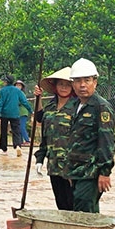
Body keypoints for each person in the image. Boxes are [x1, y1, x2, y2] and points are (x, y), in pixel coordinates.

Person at [64, 58, 115, 213]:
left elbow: (107, 141)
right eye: (78, 81)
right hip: (77, 171)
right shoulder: (75, 106)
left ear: (95, 82)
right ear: (72, 84)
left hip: (91, 172)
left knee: (84, 211)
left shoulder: (101, 107)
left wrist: (105, 172)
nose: (82, 85)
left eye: (87, 80)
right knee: (87, 212)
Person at [33, 67, 76, 210]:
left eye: (68, 84)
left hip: (71, 166)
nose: (64, 88)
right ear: (55, 86)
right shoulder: (50, 106)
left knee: (73, 205)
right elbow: (41, 123)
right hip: (54, 166)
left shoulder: (78, 107)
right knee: (61, 204)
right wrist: (40, 159)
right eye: (61, 84)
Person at [0, 77, 31, 154]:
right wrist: (30, 110)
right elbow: (24, 101)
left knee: (4, 131)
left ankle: (4, 149)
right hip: (15, 114)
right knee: (16, 131)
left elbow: (0, 103)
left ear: (6, 82)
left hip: (4, 113)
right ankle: (18, 145)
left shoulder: (2, 90)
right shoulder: (17, 91)